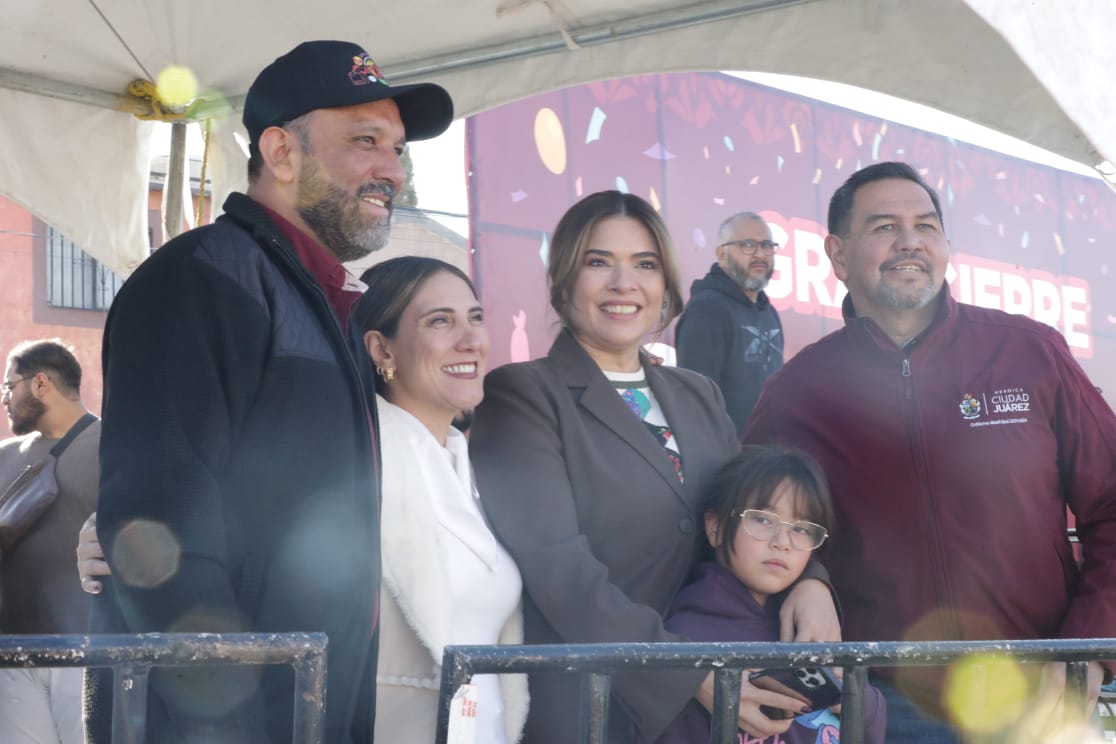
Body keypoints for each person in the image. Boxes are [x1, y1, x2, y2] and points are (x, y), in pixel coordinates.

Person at [89, 40, 453, 743]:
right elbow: (158, 542)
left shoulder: (325, 302)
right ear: (282, 152)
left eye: (398, 149)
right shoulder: (197, 282)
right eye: (366, 142)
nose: (392, 171)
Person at [81, 256, 529, 741]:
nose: (470, 340)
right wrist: (107, 537)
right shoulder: (346, 460)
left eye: (476, 317)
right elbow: (209, 513)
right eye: (441, 320)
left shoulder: (473, 465)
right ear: (380, 348)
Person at [743, 161, 1116, 742]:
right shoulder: (798, 391)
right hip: (884, 706)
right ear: (838, 256)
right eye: (885, 226)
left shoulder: (1030, 353)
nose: (910, 240)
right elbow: (747, 526)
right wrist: (807, 577)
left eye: (927, 225)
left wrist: (1088, 649)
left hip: (1040, 694)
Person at [469, 190, 840, 744]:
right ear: (564, 280)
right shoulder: (523, 394)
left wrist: (811, 581)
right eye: (599, 262)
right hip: (594, 704)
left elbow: (747, 514)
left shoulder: (699, 394)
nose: (625, 284)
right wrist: (687, 671)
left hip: (720, 708)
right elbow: (558, 567)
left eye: (644, 265)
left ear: (666, 285)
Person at [656, 445, 886, 744]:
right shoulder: (686, 638)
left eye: (802, 529)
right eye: (763, 520)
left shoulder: (813, 622)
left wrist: (858, 699)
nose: (783, 542)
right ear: (715, 527)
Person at [0, 340, 99, 744]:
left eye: (10, 386)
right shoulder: (3, 456)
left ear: (40, 383)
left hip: (88, 654)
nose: (6, 399)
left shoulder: (112, 445)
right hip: (13, 655)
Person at [675, 212, 783, 434]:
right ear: (722, 254)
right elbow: (696, 404)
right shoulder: (706, 310)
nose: (760, 254)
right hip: (729, 462)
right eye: (748, 245)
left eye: (767, 245)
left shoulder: (770, 313)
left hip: (769, 459)